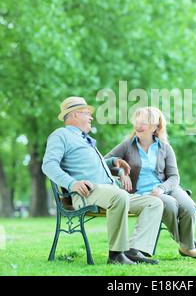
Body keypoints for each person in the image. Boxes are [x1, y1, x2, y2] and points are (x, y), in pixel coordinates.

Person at [42, 97, 163, 265]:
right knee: (119, 195)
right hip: (86, 193)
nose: (91, 117)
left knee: (154, 203)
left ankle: (133, 250)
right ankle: (116, 255)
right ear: (74, 115)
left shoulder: (85, 140)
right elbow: (48, 164)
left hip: (108, 192)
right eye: (87, 113)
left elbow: (90, 166)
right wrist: (72, 184)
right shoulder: (61, 135)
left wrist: (112, 163)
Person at [105, 106, 196, 259]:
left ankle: (185, 245)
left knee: (189, 207)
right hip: (144, 193)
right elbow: (104, 163)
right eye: (137, 122)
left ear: (155, 127)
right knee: (170, 204)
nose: (138, 126)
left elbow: (174, 177)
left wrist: (161, 187)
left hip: (167, 187)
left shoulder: (165, 148)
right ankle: (186, 244)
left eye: (143, 123)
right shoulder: (127, 146)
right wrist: (120, 172)